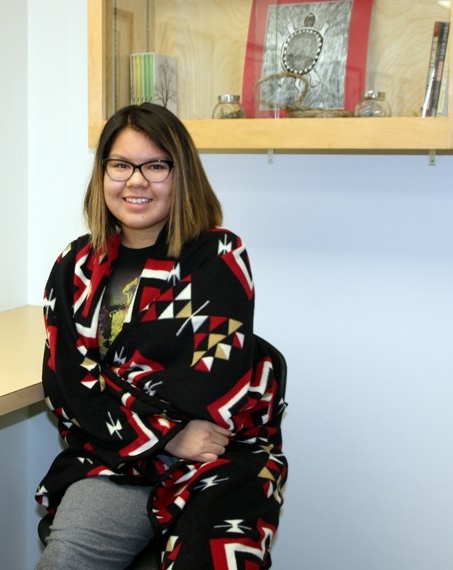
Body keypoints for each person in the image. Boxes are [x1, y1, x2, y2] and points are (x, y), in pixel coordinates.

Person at [35, 103, 287, 569]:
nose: (136, 181)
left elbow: (210, 380)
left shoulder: (216, 256)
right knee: (65, 560)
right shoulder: (75, 266)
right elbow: (66, 385)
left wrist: (114, 387)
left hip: (215, 460)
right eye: (121, 165)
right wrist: (165, 435)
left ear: (181, 174)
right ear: (103, 174)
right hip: (115, 460)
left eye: (154, 166)